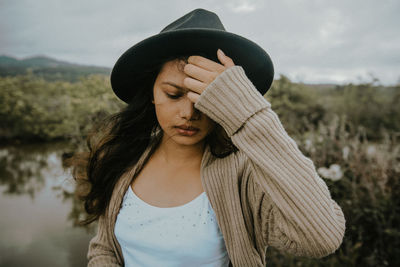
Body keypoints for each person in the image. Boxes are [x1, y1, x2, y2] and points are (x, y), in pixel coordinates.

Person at [72, 8, 346, 267]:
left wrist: (248, 114)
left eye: (206, 98)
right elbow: (104, 247)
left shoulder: (243, 174)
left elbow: (320, 239)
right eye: (173, 94)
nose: (189, 112)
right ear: (151, 94)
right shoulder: (124, 158)